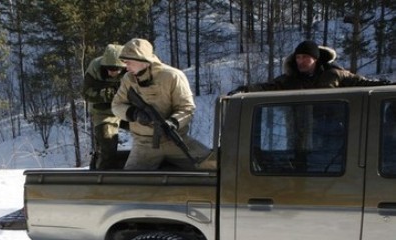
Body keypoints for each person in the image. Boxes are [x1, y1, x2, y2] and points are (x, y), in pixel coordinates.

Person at [111, 38, 197, 170]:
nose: (126, 66)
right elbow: (116, 106)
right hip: (144, 144)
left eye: (129, 62)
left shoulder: (173, 76)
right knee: (129, 185)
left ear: (142, 61)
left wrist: (173, 122)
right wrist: (134, 114)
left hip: (176, 140)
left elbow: (187, 108)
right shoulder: (128, 79)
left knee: (213, 166)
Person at [230, 40, 393, 93]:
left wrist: (387, 85)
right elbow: (266, 87)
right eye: (298, 57)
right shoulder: (289, 80)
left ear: (315, 59)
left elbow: (362, 83)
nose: (300, 61)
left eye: (305, 57)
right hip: (302, 131)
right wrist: (245, 89)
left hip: (334, 128)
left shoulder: (334, 74)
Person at [82, 44, 127, 170]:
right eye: (109, 68)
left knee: (148, 134)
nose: (112, 72)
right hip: (104, 111)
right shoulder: (95, 67)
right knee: (107, 142)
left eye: (116, 69)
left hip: (128, 109)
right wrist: (107, 93)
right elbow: (86, 93)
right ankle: (102, 173)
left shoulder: (132, 68)